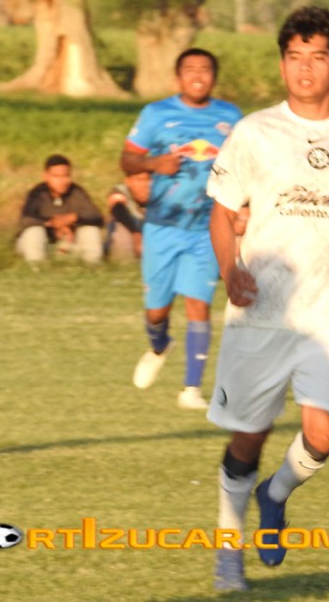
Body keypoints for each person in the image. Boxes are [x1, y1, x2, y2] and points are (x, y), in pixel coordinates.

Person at [205, 6, 329, 591]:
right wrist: (230, 269)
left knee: (324, 432)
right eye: (295, 57)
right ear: (282, 64)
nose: (305, 68)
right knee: (249, 436)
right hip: (260, 313)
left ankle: (276, 493)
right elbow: (221, 213)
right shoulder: (254, 132)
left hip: (327, 313)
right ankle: (228, 549)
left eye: (318, 57)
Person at [121, 48, 243, 409]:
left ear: (214, 77)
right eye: (190, 69)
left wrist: (246, 206)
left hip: (208, 226)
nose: (198, 76)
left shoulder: (231, 117)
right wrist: (153, 163)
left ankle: (191, 389)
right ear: (178, 77)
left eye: (205, 70)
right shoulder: (156, 113)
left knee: (198, 303)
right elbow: (127, 160)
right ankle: (160, 345)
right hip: (162, 225)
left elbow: (248, 164)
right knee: (156, 310)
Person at [15, 154, 104, 267]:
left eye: (66, 176)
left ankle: (92, 267)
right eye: (56, 176)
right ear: (46, 176)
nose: (62, 181)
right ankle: (37, 268)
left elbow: (96, 217)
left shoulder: (76, 192)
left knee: (91, 230)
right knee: (34, 232)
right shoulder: (37, 193)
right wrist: (54, 224)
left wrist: (74, 218)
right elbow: (26, 219)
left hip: (67, 245)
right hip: (41, 245)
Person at [104, 171, 150, 260]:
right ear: (128, 181)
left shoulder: (157, 193)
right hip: (129, 230)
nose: (145, 184)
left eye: (148, 179)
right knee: (120, 225)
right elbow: (117, 207)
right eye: (139, 180)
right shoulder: (120, 191)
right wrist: (135, 232)